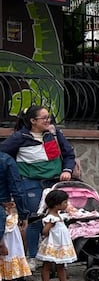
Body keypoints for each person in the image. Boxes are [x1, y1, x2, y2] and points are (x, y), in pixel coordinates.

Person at [1, 105, 77, 264]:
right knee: (35, 220)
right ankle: (33, 257)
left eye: (49, 117)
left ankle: (56, 257)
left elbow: (69, 154)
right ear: (33, 121)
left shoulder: (54, 134)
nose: (48, 121)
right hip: (31, 184)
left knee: (57, 218)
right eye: (44, 118)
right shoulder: (19, 137)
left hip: (55, 183)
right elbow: (3, 155)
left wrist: (68, 170)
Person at [36, 189, 77, 281]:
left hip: (60, 245)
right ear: (56, 205)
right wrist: (49, 228)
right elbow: (44, 231)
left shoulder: (60, 216)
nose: (67, 204)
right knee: (47, 265)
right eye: (65, 202)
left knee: (61, 265)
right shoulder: (51, 218)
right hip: (52, 245)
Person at [0, 200, 28, 281]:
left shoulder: (12, 213)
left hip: (12, 247)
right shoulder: (1, 215)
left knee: (9, 268)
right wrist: (2, 244)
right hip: (4, 245)